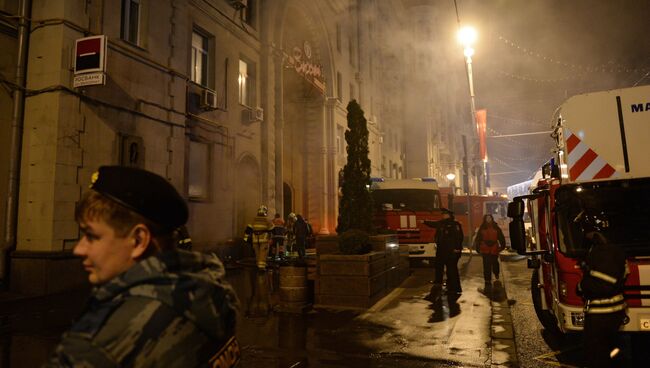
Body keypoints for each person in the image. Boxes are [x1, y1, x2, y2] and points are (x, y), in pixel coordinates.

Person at [46, 166, 239, 367]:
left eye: (92, 236)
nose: (79, 249)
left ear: (139, 240)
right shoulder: (211, 295)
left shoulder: (99, 344)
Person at [576, 212, 627, 368]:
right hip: (613, 312)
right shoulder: (614, 250)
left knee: (596, 356)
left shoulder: (603, 253)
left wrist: (581, 286)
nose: (585, 234)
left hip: (602, 314)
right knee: (610, 350)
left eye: (585, 230)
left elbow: (604, 284)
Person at [423, 208, 464, 301]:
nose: (443, 216)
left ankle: (454, 288)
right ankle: (439, 286)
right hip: (441, 250)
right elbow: (433, 224)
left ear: (449, 215)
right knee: (439, 267)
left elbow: (459, 237)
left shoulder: (455, 224)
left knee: (451, 270)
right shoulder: (442, 223)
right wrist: (424, 222)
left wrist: (457, 248)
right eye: (443, 214)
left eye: (445, 214)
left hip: (451, 251)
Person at [474, 214, 507, 293]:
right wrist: (478, 248)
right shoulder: (482, 228)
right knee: (486, 265)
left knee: (495, 263)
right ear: (485, 219)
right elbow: (478, 239)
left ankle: (496, 273)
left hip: (494, 249)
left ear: (492, 219)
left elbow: (501, 237)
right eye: (487, 218)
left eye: (489, 218)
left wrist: (502, 246)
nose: (488, 219)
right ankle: (487, 280)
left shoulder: (496, 227)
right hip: (485, 249)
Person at [250, 205, 272, 270]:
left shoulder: (254, 219)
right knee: (263, 252)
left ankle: (258, 264)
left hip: (255, 239)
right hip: (264, 239)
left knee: (257, 252)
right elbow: (272, 229)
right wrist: (271, 238)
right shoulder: (267, 220)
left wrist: (246, 239)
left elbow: (249, 228)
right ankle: (261, 266)